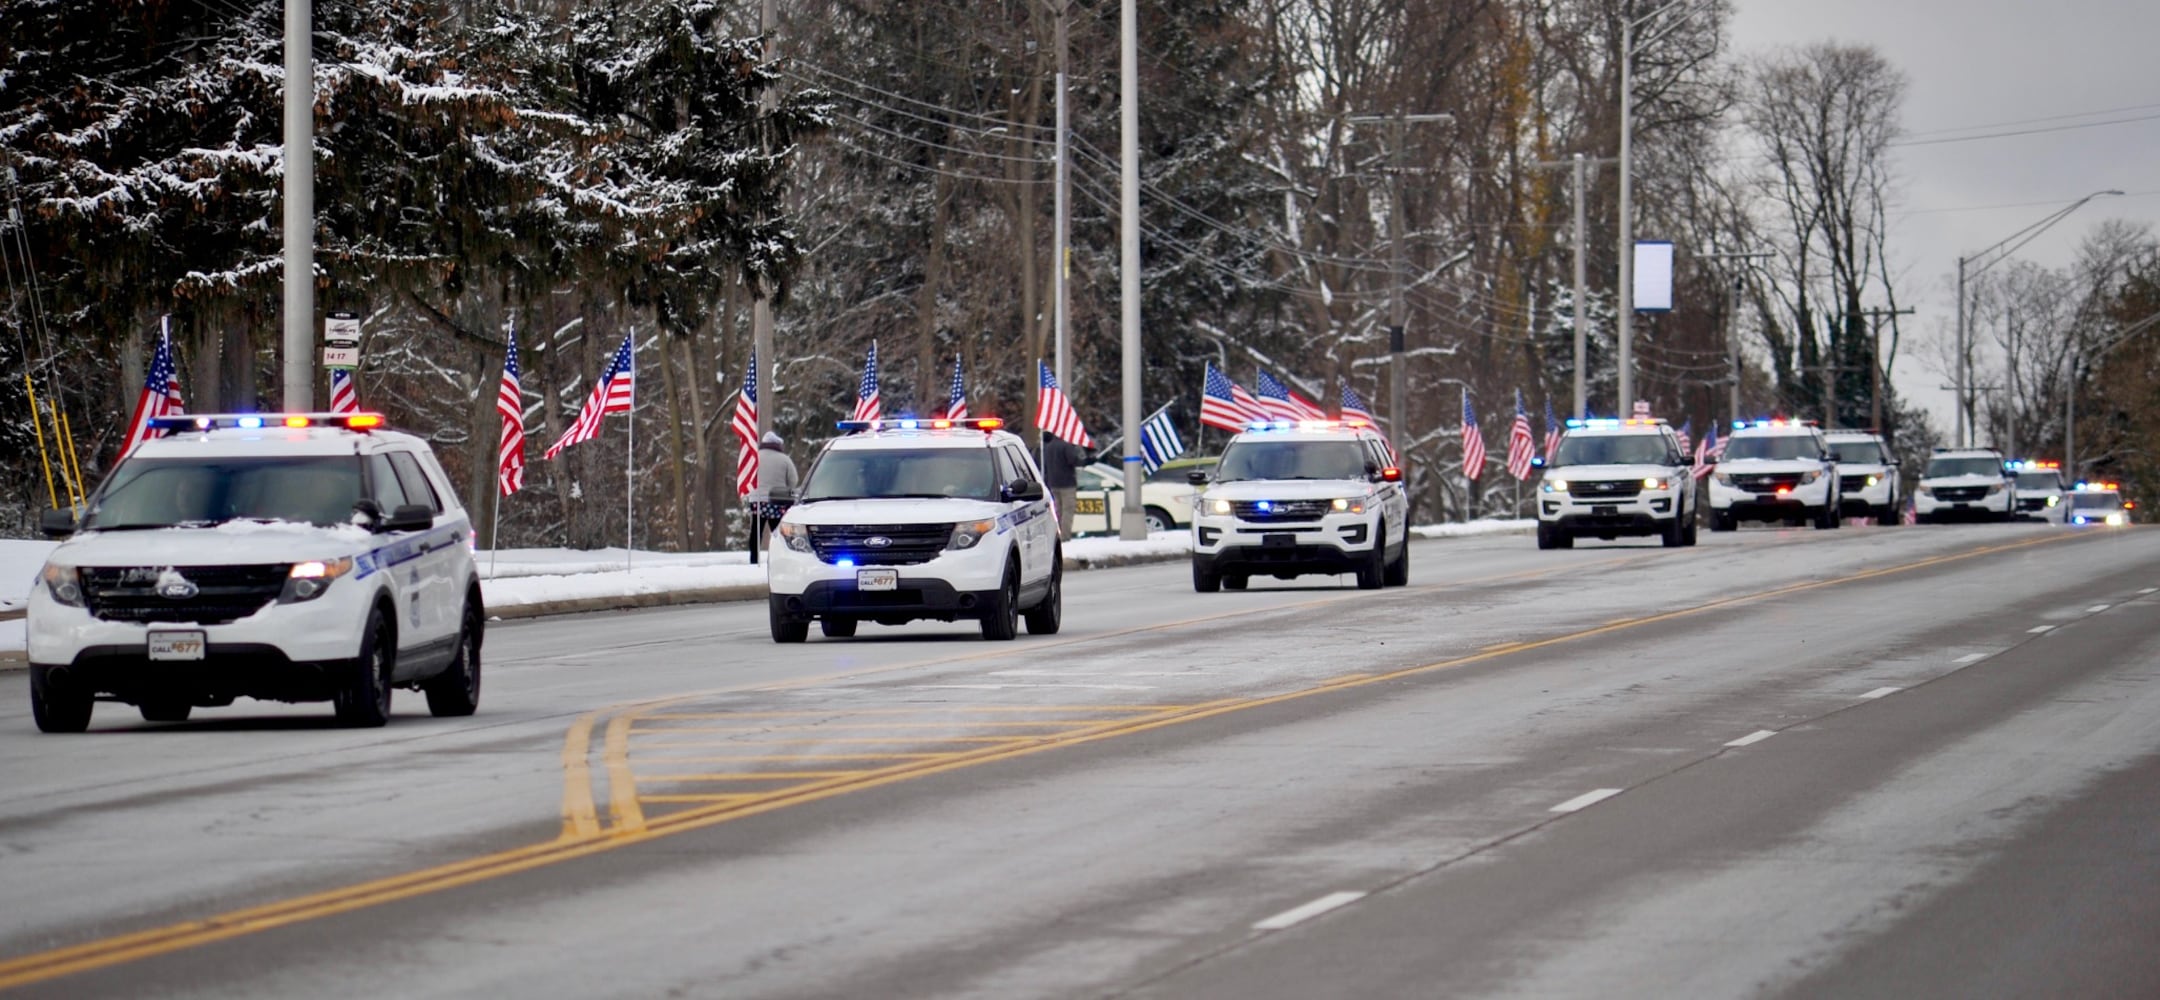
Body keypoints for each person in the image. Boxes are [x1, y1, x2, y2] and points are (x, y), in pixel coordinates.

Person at [1040, 436, 1086, 539]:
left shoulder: (1049, 447)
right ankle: (1065, 536)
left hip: (1053, 483)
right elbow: (1073, 461)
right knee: (1068, 510)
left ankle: (1057, 534)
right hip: (1067, 483)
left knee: (1058, 511)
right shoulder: (1066, 445)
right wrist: (1084, 460)